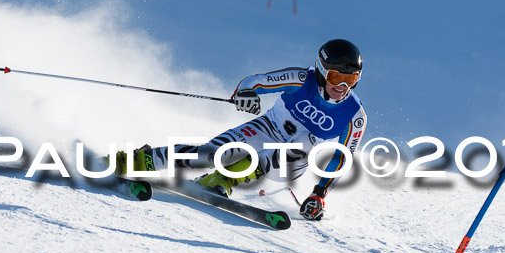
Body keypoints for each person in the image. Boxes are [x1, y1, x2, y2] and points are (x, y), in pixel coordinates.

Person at [114, 39, 367, 221]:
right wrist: (246, 94)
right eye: (336, 78)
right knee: (211, 154)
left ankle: (221, 180)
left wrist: (319, 194)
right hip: (266, 128)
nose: (343, 86)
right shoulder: (302, 79)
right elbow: (255, 81)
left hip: (291, 160)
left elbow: (340, 158)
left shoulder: (354, 116)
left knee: (295, 147)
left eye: (352, 79)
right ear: (323, 71)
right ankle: (137, 160)